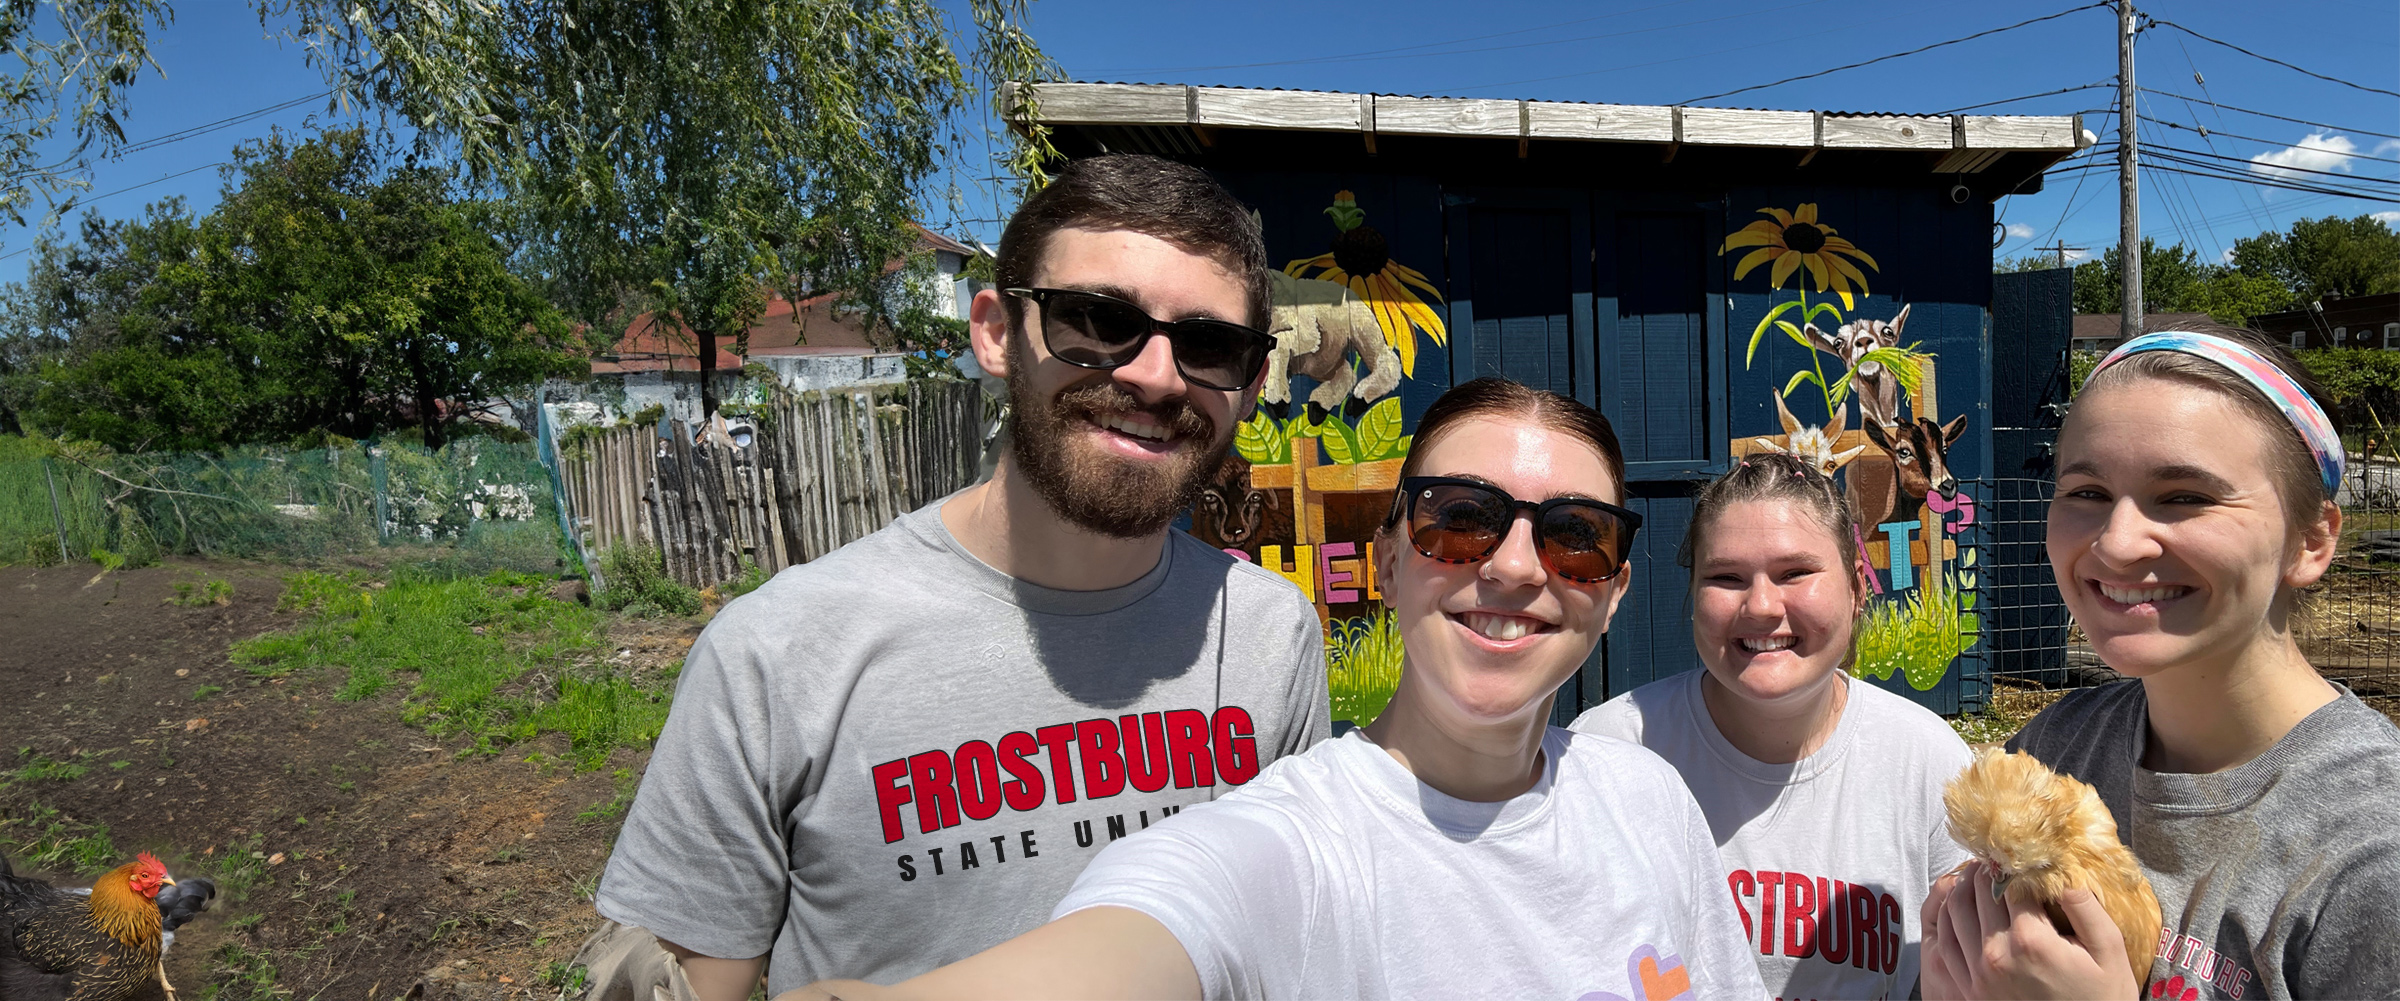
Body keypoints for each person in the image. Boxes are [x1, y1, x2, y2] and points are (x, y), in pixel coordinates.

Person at [584, 153, 1333, 1000]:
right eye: (1095, 318)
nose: (1156, 375)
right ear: (996, 333)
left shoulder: (1275, 634)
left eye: (1210, 343)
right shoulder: (778, 654)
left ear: (1253, 379)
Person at [788, 377, 1766, 1001]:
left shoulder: (1645, 801)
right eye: (1460, 518)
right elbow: (1151, 931)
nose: (1515, 565)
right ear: (1388, 559)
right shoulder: (1302, 844)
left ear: (1613, 587)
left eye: (1573, 534)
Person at [1923, 327, 2400, 1000]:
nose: (2117, 544)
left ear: (2311, 539)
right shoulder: (2059, 747)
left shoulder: (2373, 849)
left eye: (2184, 497)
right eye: (2086, 491)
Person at [1574, 449, 1973, 1001]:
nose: (1761, 606)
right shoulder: (1610, 750)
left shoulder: (1928, 764)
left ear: (1858, 588)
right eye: (1727, 577)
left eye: (1795, 573)